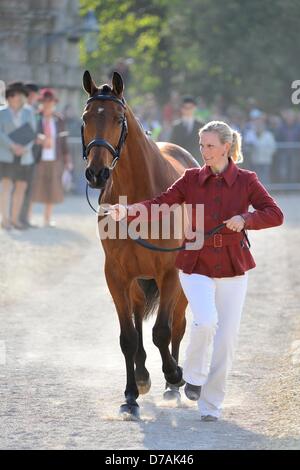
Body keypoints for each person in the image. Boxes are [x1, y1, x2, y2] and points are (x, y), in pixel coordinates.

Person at [108, 120, 284, 421]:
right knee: (205, 322)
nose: (204, 152)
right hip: (196, 262)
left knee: (226, 339)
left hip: (232, 264)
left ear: (226, 148)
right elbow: (161, 202)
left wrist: (246, 218)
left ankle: (210, 405)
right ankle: (192, 375)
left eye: (210, 146)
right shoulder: (190, 179)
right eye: (201, 146)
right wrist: (129, 210)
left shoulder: (247, 180)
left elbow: (275, 214)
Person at [31, 88, 72, 227]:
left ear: (54, 102)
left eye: (51, 101)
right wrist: (38, 139)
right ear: (41, 102)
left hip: (55, 159)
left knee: (53, 188)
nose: (48, 104)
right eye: (45, 101)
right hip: (37, 159)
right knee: (33, 187)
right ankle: (28, 218)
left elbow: (64, 141)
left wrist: (67, 160)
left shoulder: (59, 119)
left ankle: (47, 219)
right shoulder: (35, 117)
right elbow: (28, 136)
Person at [0, 81, 36, 230]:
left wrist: (24, 148)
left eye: (21, 95)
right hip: (6, 155)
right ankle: (5, 220)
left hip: (25, 156)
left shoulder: (29, 112)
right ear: (9, 96)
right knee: (6, 187)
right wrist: (12, 146)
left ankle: (15, 219)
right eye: (15, 94)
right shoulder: (1, 112)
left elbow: (32, 133)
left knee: (21, 188)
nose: (18, 98)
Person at [18, 82, 40, 228]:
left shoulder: (34, 110)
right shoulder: (23, 110)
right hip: (22, 152)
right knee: (19, 187)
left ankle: (24, 218)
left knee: (28, 187)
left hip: (33, 153)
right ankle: (17, 218)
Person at [169, 96, 203, 163]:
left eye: (190, 108)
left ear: (194, 108)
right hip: (180, 163)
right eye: (185, 108)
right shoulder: (176, 126)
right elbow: (172, 145)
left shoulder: (201, 126)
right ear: (181, 109)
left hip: (197, 162)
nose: (188, 110)